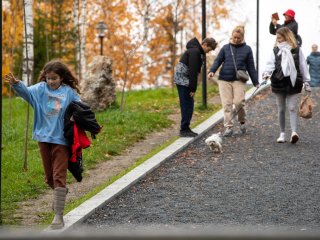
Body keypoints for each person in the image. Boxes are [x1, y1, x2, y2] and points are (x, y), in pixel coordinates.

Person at [4, 60, 81, 230]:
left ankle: (58, 216)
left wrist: (76, 116)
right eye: (48, 78)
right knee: (50, 178)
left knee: (59, 176)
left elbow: (81, 106)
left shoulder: (68, 92)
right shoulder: (40, 89)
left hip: (61, 140)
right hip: (43, 138)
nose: (51, 81)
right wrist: (17, 84)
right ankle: (60, 193)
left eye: (54, 78)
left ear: (61, 78)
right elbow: (26, 93)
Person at [208, 26, 259, 137]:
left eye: (238, 38)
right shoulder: (226, 48)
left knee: (239, 102)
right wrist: (212, 71)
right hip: (224, 80)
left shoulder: (247, 49)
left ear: (242, 37)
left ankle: (242, 121)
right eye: (234, 37)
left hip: (239, 80)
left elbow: (251, 67)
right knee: (227, 104)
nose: (236, 40)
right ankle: (228, 127)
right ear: (231, 36)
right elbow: (218, 61)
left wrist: (256, 82)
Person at [262, 27, 311, 144]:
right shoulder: (275, 50)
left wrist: (307, 81)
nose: (277, 38)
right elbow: (270, 64)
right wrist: (266, 74)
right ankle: (282, 133)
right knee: (281, 109)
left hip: (294, 82)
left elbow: (303, 66)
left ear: (286, 36)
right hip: (278, 82)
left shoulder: (297, 50)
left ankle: (294, 132)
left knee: (292, 107)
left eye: (279, 36)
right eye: (277, 36)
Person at [174, 37, 217, 137]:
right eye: (209, 49)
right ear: (204, 44)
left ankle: (185, 127)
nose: (208, 52)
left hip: (183, 80)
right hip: (183, 81)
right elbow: (193, 71)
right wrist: (193, 88)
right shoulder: (195, 52)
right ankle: (184, 129)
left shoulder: (196, 50)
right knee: (187, 105)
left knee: (188, 104)